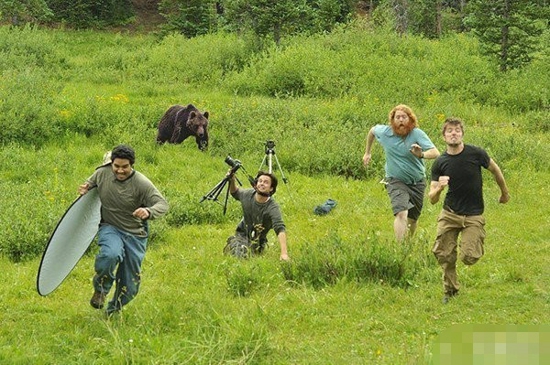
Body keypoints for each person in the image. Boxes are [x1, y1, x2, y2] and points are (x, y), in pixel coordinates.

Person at [78, 144, 169, 315]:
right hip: (110, 227)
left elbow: (163, 205)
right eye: (116, 166)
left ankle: (112, 311)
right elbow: (89, 185)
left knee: (130, 285)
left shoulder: (141, 183)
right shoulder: (102, 174)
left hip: (135, 234)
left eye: (124, 167)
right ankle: (101, 290)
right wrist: (85, 189)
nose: (120, 171)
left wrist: (148, 211)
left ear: (132, 165)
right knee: (109, 255)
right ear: (111, 164)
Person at [429, 117, 510, 304]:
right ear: (444, 136)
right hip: (449, 213)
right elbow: (432, 199)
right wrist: (439, 189)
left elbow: (495, 170)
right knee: (444, 254)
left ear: (462, 134)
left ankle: (475, 239)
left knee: (469, 256)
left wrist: (504, 193)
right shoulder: (440, 162)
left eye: (457, 130)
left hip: (473, 214)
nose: (454, 133)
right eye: (449, 130)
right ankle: (450, 290)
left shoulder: (476, 154)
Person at [362, 104, 440, 241]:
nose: (401, 120)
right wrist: (367, 152)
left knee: (412, 219)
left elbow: (435, 152)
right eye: (397, 117)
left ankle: (407, 245)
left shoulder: (417, 134)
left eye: (404, 117)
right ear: (392, 120)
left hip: (417, 181)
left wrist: (421, 154)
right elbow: (372, 131)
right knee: (401, 213)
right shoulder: (385, 132)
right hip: (395, 180)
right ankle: (399, 249)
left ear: (410, 119)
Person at [225, 170, 289, 261]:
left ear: (271, 188)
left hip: (258, 241)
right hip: (242, 234)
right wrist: (232, 179)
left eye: (266, 182)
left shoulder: (273, 208)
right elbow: (235, 192)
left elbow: (280, 229)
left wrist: (284, 253)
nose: (262, 184)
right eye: (260, 181)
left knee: (250, 254)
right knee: (238, 252)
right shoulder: (247, 195)